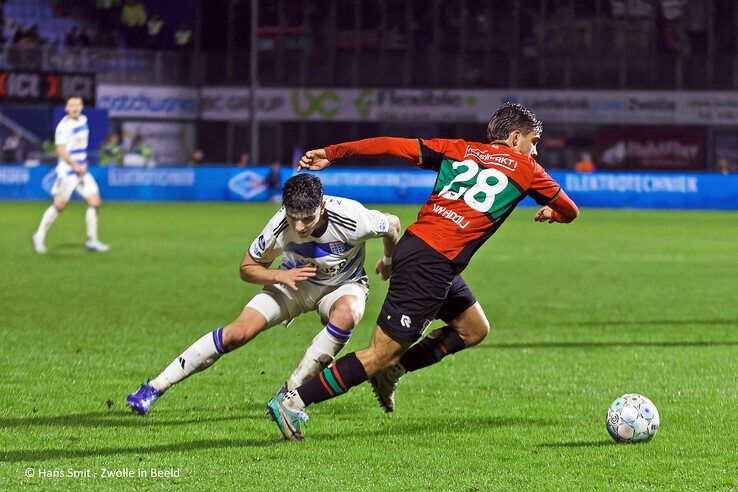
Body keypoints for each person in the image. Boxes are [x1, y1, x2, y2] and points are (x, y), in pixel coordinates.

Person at [267, 102, 580, 441]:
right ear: (515, 137)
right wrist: (553, 214)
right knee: (379, 354)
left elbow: (390, 145)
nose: (535, 151)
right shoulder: (528, 169)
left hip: (420, 248)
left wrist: (333, 152)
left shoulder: (458, 149)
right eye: (533, 142)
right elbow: (570, 210)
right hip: (431, 263)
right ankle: (294, 401)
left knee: (473, 329)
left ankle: (393, 372)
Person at [126, 173, 402, 415]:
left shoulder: (353, 217)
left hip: (344, 284)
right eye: (294, 218)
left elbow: (393, 224)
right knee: (238, 333)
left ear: (323, 206)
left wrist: (388, 262)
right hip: (292, 283)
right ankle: (154, 387)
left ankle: (289, 396)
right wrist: (280, 275)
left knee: (348, 314)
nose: (300, 227)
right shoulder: (280, 225)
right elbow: (246, 268)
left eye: (308, 219)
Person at [32, 96, 109, 254]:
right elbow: (60, 149)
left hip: (81, 170)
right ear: (66, 108)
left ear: (81, 106)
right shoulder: (64, 126)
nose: (75, 107)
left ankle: (92, 240)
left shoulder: (83, 120)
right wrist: (75, 164)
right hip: (67, 172)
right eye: (71, 105)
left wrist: (83, 162)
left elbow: (81, 146)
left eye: (78, 104)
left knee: (95, 201)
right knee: (59, 205)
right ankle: (39, 236)